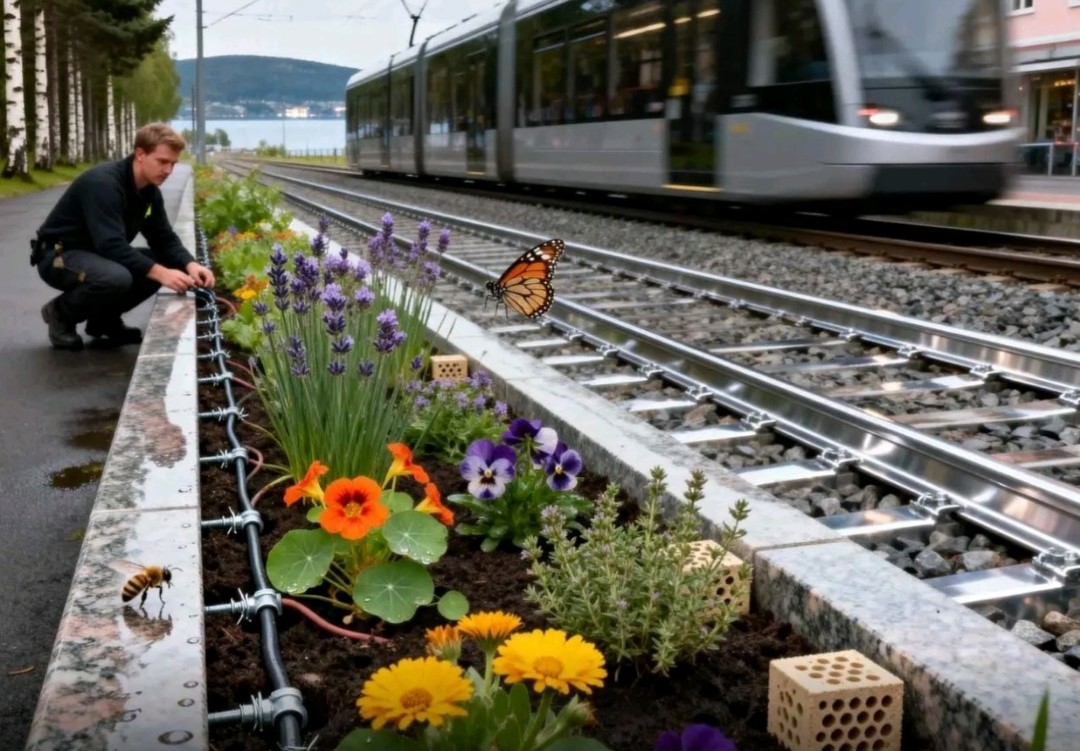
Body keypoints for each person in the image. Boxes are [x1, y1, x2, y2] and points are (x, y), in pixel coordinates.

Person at [33, 122, 216, 350]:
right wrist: (161, 273)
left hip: (94, 255)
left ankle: (103, 321)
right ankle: (60, 313)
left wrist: (190, 265)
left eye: (173, 164)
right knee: (117, 277)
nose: (168, 171)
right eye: (162, 162)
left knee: (157, 262)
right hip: (59, 255)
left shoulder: (148, 191)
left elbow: (163, 238)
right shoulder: (104, 184)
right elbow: (110, 244)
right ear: (140, 154)